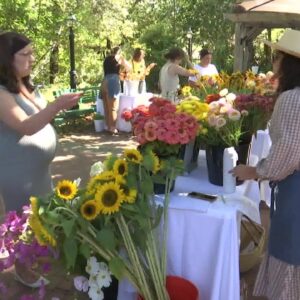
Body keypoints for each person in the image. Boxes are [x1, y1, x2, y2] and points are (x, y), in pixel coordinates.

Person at [230, 29, 300, 299]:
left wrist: (255, 171)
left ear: (289, 62)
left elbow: (290, 151)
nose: (273, 62)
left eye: (276, 56)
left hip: (295, 191)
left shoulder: (292, 98)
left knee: (290, 254)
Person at [0, 32, 82, 213]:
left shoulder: (24, 84)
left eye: (32, 53)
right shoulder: (1, 93)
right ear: (6, 58)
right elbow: (26, 126)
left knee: (44, 225)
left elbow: (41, 117)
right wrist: (57, 105)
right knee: (26, 230)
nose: (32, 58)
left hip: (39, 175)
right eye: (25, 54)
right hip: (18, 177)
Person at [101, 46, 131, 134]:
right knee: (113, 107)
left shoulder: (106, 59)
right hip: (113, 81)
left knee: (106, 107)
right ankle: (113, 128)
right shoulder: (119, 58)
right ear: (119, 52)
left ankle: (107, 126)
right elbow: (129, 67)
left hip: (104, 80)